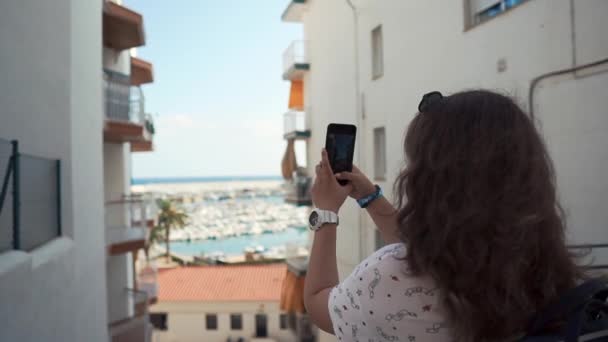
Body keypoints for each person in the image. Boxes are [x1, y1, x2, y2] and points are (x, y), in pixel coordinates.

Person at [303, 90, 585, 342]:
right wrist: (371, 199)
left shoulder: (387, 276)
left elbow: (319, 302)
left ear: (428, 179)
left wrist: (326, 213)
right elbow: (421, 255)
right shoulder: (542, 266)